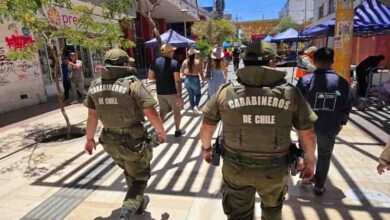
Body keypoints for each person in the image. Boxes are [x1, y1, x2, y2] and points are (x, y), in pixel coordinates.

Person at [200, 40, 318, 220]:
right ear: (271, 62)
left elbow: (207, 125)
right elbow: (307, 132)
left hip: (236, 168)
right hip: (274, 170)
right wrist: (310, 160)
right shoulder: (290, 93)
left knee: (238, 215)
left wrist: (207, 149)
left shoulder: (225, 92)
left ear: (245, 61)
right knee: (272, 212)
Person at [84, 48, 166, 220]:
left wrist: (90, 139)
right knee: (139, 178)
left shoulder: (95, 85)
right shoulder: (132, 84)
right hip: (132, 142)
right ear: (123, 65)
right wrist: (160, 131)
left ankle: (138, 202)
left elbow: (92, 116)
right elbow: (151, 112)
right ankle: (126, 213)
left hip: (109, 141)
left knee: (130, 171)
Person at [297, 48, 352, 196]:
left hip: (306, 127)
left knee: (306, 152)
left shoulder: (305, 81)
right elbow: (347, 105)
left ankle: (306, 176)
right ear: (332, 62)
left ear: (314, 62)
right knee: (325, 155)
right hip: (329, 125)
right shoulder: (342, 83)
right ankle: (320, 185)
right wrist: (341, 122)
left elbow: (296, 104)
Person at [148, 43, 184, 137]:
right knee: (177, 112)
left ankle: (159, 131)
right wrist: (179, 96)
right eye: (172, 51)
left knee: (162, 112)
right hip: (172, 92)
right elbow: (177, 81)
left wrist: (160, 78)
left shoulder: (154, 62)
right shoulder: (174, 63)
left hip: (160, 92)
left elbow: (150, 77)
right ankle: (177, 130)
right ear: (170, 52)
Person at [180, 47, 205, 115]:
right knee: (198, 95)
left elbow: (181, 72)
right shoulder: (197, 61)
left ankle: (193, 108)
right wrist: (203, 80)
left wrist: (185, 73)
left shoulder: (185, 61)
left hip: (187, 79)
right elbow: (201, 72)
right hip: (195, 79)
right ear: (194, 54)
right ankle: (195, 106)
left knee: (190, 95)